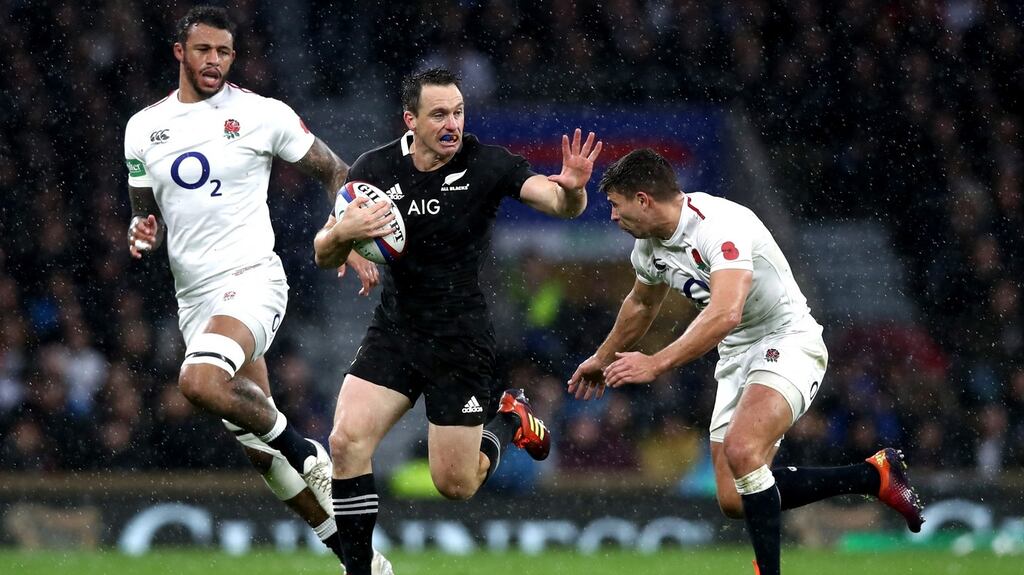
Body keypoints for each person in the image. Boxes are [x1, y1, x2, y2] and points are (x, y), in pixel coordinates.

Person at [567, 149, 925, 575]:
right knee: (735, 499)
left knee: (743, 450)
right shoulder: (648, 248)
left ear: (643, 199)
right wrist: (600, 358)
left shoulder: (719, 225)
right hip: (737, 352)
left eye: (615, 205)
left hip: (787, 338)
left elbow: (725, 312)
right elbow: (641, 305)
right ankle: (874, 476)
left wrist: (657, 363)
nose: (611, 217)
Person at [122, 6, 390, 569]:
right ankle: (359, 561)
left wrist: (351, 241)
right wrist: (140, 233)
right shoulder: (143, 128)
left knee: (198, 381)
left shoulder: (261, 114)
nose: (214, 60)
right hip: (194, 300)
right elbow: (144, 217)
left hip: (252, 280)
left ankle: (307, 449)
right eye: (203, 50)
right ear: (180, 52)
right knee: (263, 455)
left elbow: (338, 173)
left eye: (223, 51)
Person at [313, 67, 602, 575]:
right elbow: (321, 250)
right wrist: (342, 236)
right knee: (345, 441)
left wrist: (574, 190)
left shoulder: (487, 164)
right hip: (396, 329)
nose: (452, 124)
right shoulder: (375, 168)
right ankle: (358, 569)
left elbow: (557, 202)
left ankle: (510, 417)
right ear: (411, 119)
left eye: (459, 112)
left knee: (456, 485)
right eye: (440, 114)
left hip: (459, 340)